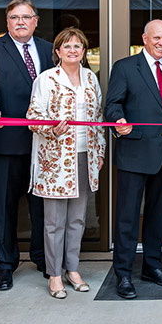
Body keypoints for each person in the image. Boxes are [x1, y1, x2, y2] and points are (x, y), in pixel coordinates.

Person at [104, 19, 162, 299]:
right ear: (144, 38)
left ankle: (152, 266)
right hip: (134, 152)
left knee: (157, 216)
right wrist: (117, 120)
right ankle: (123, 273)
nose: (161, 43)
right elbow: (112, 104)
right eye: (156, 38)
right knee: (128, 217)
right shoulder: (125, 67)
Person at [0, 0, 54, 291]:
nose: (20, 22)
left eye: (26, 17)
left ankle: (42, 258)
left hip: (45, 144)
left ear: (36, 21)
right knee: (5, 206)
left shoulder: (49, 50)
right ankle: (6, 265)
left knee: (42, 206)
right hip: (6, 140)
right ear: (6, 22)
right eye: (14, 18)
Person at [27, 27, 106, 299]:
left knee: (77, 219)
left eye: (78, 46)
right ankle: (55, 275)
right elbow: (33, 116)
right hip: (56, 161)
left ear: (84, 51)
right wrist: (52, 130)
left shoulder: (90, 78)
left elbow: (97, 118)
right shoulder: (47, 79)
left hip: (85, 156)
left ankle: (73, 269)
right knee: (54, 222)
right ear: (58, 51)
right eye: (67, 46)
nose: (73, 50)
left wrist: (100, 151)